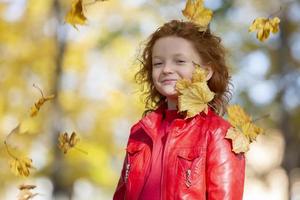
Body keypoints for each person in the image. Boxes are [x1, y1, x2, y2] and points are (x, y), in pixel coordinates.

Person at [113, 20, 245, 200]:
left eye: (180, 61)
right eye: (158, 63)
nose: (167, 69)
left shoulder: (219, 133)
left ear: (206, 72)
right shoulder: (139, 132)